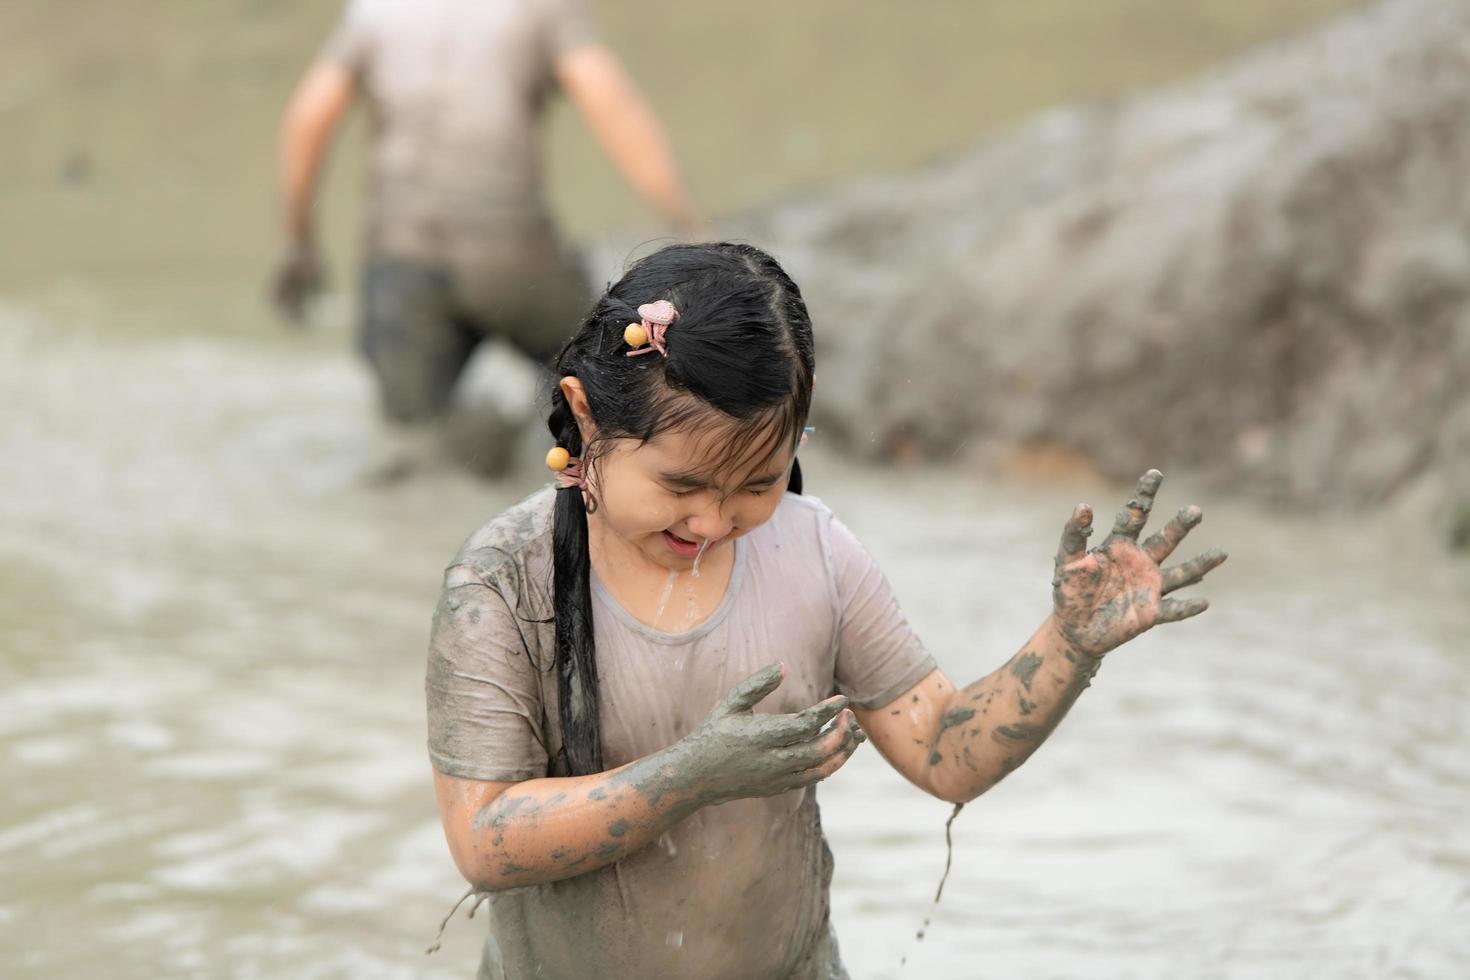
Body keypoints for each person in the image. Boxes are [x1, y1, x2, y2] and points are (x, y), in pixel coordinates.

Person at [426, 242, 1228, 978]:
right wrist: (688, 777)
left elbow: (946, 753)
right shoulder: (503, 584)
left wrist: (1067, 643)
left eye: (756, 486)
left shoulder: (814, 555)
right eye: (681, 486)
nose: (711, 522)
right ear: (588, 415)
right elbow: (483, 838)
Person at [271, 0, 705, 476]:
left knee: (411, 445)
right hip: (514, 259)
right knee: (606, 376)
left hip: (401, 265)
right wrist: (686, 222)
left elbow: (307, 118)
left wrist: (298, 241)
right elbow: (613, 107)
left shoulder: (374, 13)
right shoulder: (542, 9)